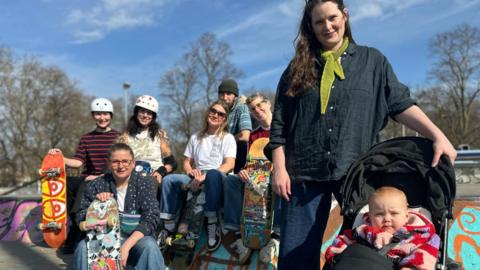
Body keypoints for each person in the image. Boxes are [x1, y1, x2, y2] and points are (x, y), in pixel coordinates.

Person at [267, 1, 457, 269]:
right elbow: (280, 123)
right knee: (295, 254)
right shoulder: (296, 69)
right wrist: (279, 167)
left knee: (364, 251)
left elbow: (400, 104)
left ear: (345, 16)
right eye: (319, 21)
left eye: (332, 18)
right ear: (310, 26)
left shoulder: (373, 61)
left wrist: (438, 135)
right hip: (304, 171)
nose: (327, 26)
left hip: (356, 174)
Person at [157, 100, 236, 252]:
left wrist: (205, 177)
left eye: (220, 114)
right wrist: (190, 172)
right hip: (196, 176)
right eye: (213, 111)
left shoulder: (227, 138)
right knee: (169, 180)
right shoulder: (195, 137)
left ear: (224, 120)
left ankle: (212, 223)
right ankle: (168, 225)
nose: (215, 115)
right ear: (208, 112)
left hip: (217, 178)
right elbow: (187, 161)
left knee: (213, 174)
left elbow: (229, 165)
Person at [73, 143, 165, 270]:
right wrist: (98, 206)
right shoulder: (96, 185)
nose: (121, 166)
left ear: (133, 163)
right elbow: (80, 216)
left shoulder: (145, 182)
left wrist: (126, 247)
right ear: (109, 164)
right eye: (115, 162)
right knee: (83, 247)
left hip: (135, 241)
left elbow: (151, 218)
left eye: (125, 161)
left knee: (150, 245)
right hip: (104, 240)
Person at [48, 97, 119, 253]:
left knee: (84, 187)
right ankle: (63, 219)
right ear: (93, 116)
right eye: (98, 114)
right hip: (88, 177)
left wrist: (101, 175)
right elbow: (78, 162)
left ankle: (76, 236)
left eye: (106, 114)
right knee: (67, 183)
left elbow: (119, 162)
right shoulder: (86, 138)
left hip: (108, 177)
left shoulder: (118, 137)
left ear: (111, 116)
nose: (102, 118)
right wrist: (60, 157)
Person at [223, 93, 281, 264]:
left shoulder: (284, 127)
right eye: (252, 109)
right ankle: (238, 236)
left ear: (268, 104)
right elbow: (247, 164)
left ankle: (275, 238)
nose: (257, 110)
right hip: (256, 180)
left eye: (259, 105)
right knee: (230, 180)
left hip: (278, 176)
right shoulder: (253, 136)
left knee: (282, 180)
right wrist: (243, 172)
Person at [324, 187, 440, 270]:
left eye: (394, 213)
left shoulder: (419, 236)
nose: (387, 219)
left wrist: (411, 266)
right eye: (379, 214)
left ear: (406, 217)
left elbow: (426, 254)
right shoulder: (361, 232)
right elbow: (339, 243)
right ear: (370, 217)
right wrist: (341, 255)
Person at [117, 95, 177, 189]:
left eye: (149, 113)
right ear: (136, 112)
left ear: (153, 117)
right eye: (142, 111)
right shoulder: (125, 136)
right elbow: (117, 160)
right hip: (132, 176)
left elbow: (172, 163)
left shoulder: (159, 135)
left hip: (154, 176)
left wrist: (161, 171)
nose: (145, 115)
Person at [217, 79, 252, 172]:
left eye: (228, 94)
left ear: (235, 96)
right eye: (222, 94)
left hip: (236, 154)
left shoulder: (241, 108)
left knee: (242, 145)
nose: (224, 97)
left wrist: (224, 140)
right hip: (218, 153)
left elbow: (245, 136)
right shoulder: (217, 111)